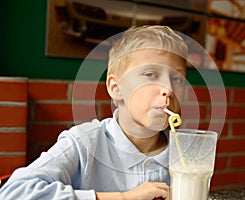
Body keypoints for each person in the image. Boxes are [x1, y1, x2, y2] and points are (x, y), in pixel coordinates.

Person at [0, 25, 188, 200]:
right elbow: (13, 192)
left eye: (177, 78)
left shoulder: (184, 151)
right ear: (116, 88)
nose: (168, 89)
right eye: (150, 74)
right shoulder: (84, 143)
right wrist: (123, 198)